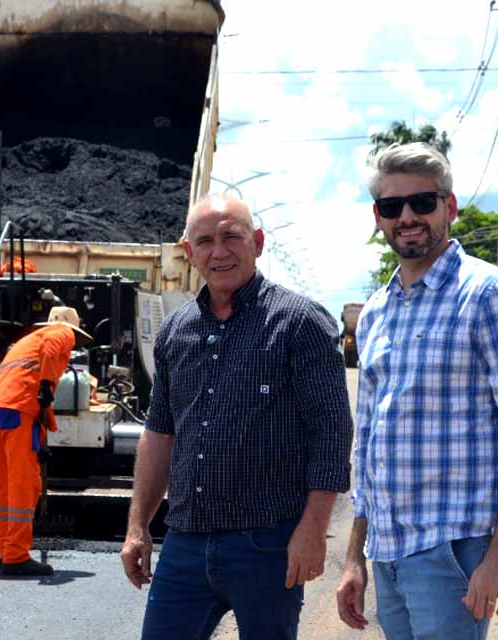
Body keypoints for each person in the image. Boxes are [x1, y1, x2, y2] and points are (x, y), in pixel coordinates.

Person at [336, 143, 498, 640]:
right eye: (392, 207)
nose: (407, 217)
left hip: (454, 551)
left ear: (449, 206)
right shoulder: (376, 314)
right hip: (388, 552)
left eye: (422, 202)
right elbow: (368, 444)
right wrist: (355, 557)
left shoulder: (489, 295)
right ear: (378, 217)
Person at [120, 194, 354, 639]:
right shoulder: (176, 330)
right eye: (205, 241)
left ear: (257, 243)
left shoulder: (299, 322)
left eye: (232, 237)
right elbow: (160, 433)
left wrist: (313, 529)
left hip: (267, 545)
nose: (219, 251)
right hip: (185, 543)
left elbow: (332, 432)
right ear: (189, 253)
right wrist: (138, 527)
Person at [0, 306, 93, 576]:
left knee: (4, 484)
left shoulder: (26, 343)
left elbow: (38, 403)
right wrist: (46, 385)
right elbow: (51, 354)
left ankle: (7, 551)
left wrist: (42, 440)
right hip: (18, 408)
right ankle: (16, 556)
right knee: (24, 483)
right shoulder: (60, 332)